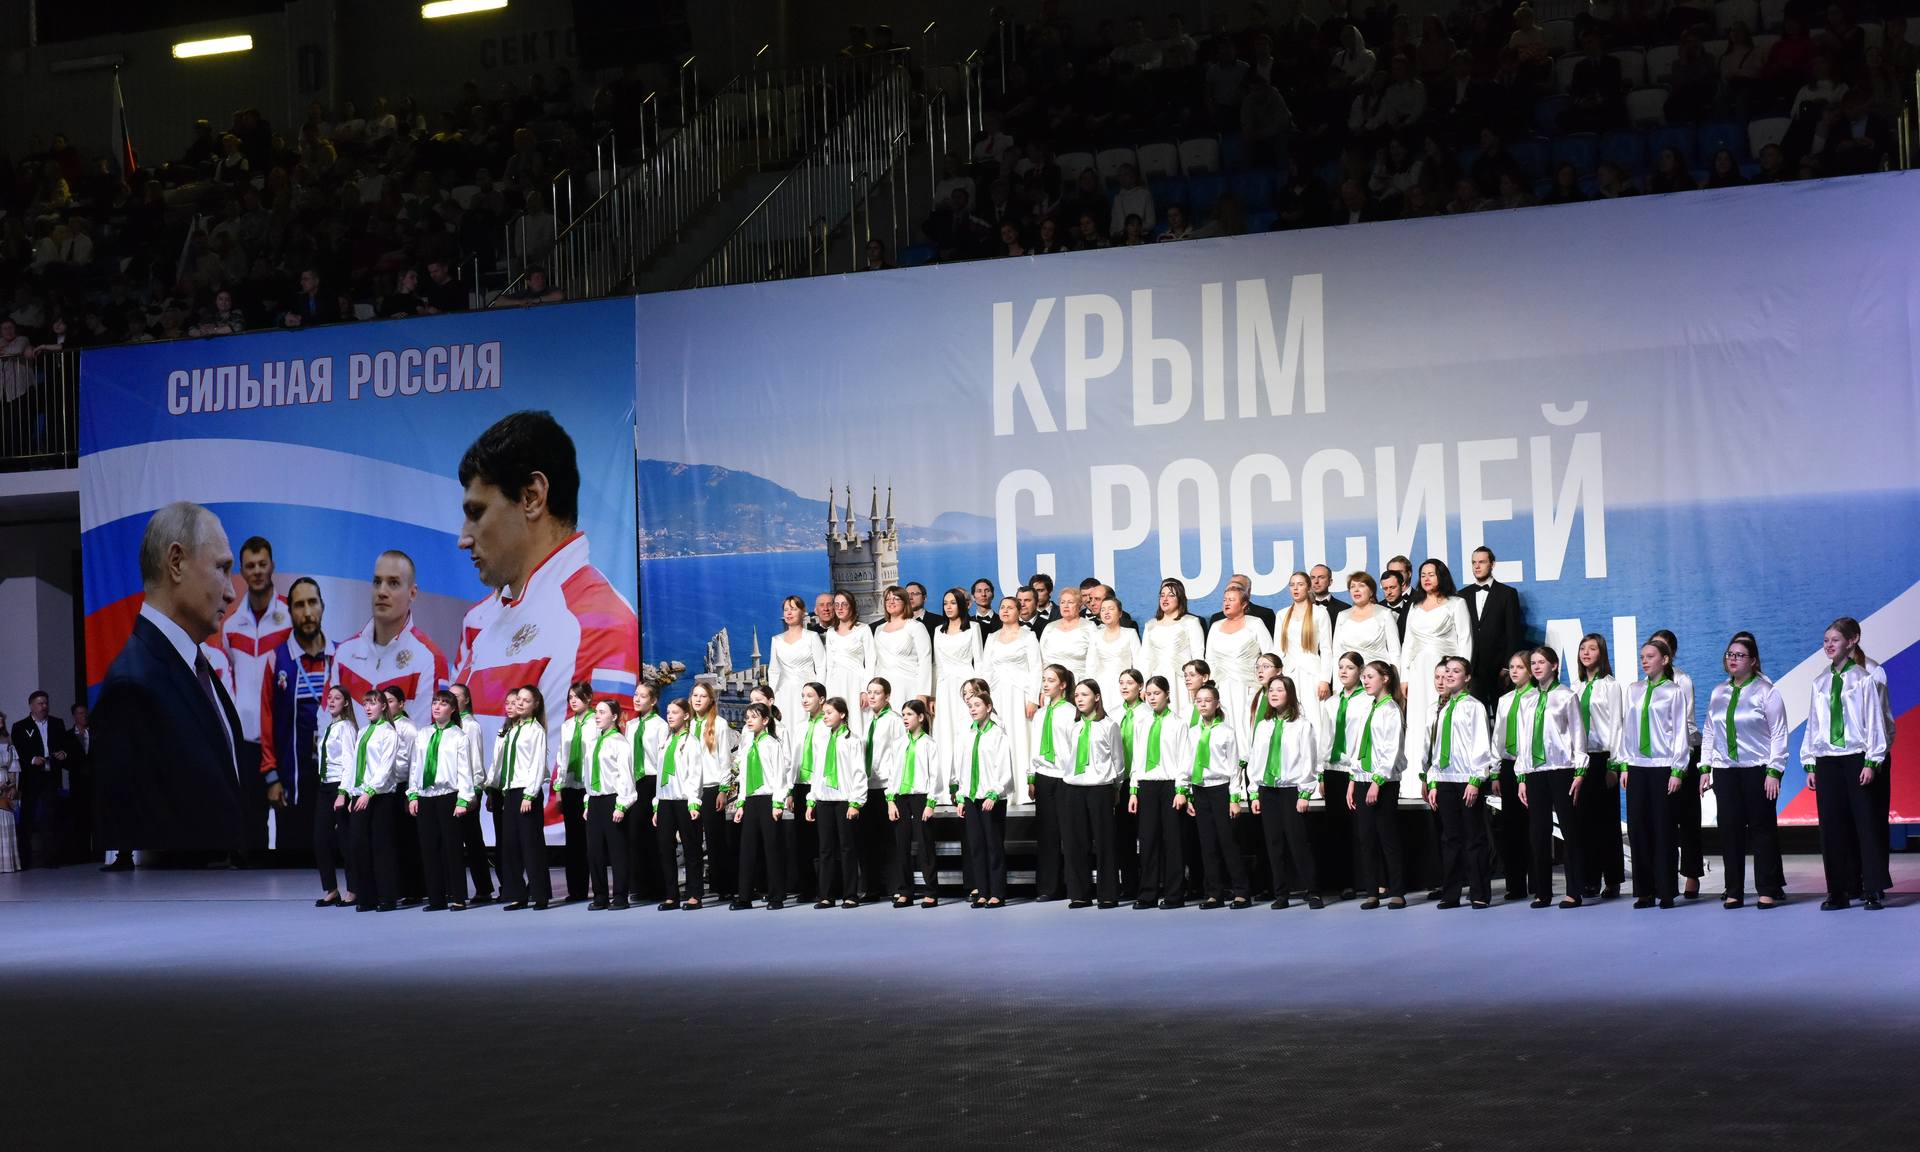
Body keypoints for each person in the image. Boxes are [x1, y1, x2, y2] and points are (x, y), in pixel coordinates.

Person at [452, 412, 640, 779]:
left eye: (476, 512)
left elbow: (573, 791)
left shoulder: (597, 623)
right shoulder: (485, 619)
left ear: (532, 497)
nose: (463, 538)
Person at [93, 502, 250, 853]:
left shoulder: (194, 667)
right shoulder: (131, 688)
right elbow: (131, 839)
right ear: (176, 562)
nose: (231, 592)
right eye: (222, 568)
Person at [1803, 618, 1890, 911]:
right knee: (1832, 827)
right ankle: (1837, 891)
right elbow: (1814, 725)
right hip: (1827, 760)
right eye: (1826, 640)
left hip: (1856, 757)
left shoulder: (1864, 678)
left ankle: (1872, 887)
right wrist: (1810, 762)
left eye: (1835, 640)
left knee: (1866, 824)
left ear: (1851, 642)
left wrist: (1872, 761)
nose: (1829, 645)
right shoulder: (1819, 682)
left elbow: (1874, 722)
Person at [1704, 634, 1788, 909]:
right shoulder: (1718, 692)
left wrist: (1774, 770)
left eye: (1740, 655)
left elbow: (1779, 733)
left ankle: (1767, 889)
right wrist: (1705, 767)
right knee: (1729, 830)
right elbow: (1709, 731)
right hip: (1726, 770)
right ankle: (1734, 891)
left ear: (1753, 661)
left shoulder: (1766, 692)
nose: (1733, 659)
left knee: (1762, 829)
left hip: (1757, 769)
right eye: (1730, 654)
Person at [219, 536, 291, 852]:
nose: (258, 571)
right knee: (251, 825)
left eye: (263, 564)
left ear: (272, 565)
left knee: (290, 822)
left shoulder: (291, 615)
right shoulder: (231, 625)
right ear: (242, 571)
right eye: (251, 566)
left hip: (283, 737)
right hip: (247, 739)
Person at [328, 549, 448, 735]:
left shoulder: (429, 659)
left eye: (393, 583)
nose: (382, 591)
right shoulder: (344, 653)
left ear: (412, 593)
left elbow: (427, 738)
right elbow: (327, 725)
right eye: (377, 582)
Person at [256, 576, 334, 860]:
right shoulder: (277, 660)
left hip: (335, 784)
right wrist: (272, 777)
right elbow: (267, 722)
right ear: (290, 612)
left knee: (335, 859)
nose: (307, 612)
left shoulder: (341, 657)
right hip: (293, 786)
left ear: (323, 606)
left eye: (313, 602)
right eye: (299, 605)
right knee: (293, 862)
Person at [1616, 638, 1689, 909]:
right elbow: (1627, 728)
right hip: (1637, 767)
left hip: (1663, 766)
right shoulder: (1633, 690)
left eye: (1650, 656)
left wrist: (1678, 769)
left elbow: (1680, 732)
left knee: (1664, 829)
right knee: (1638, 829)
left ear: (1665, 660)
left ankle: (1666, 890)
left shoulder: (1674, 691)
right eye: (1642, 657)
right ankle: (1644, 891)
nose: (1644, 661)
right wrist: (1625, 764)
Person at [1514, 646, 1587, 909]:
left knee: (1569, 830)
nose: (1536, 667)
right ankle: (1542, 891)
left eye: (1541, 662)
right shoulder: (1527, 700)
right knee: (1538, 832)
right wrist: (1521, 776)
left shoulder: (1566, 696)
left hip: (1562, 769)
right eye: (1533, 663)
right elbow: (1523, 740)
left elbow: (1578, 734)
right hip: (1535, 772)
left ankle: (1574, 891)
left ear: (1554, 666)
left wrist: (1580, 771)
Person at [1423, 657, 1494, 909]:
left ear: (1467, 678)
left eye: (1456, 671)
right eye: (1447, 671)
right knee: (1450, 838)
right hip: (1445, 779)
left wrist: (1476, 779)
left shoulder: (1474, 706)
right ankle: (1451, 893)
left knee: (1474, 837)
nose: (1450, 675)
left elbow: (1481, 744)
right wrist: (1433, 781)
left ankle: (1479, 892)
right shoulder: (1442, 710)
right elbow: (1435, 748)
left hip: (1467, 779)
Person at [1248, 675, 1323, 909]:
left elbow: (1308, 759)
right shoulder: (1263, 725)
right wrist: (1254, 791)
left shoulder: (1302, 725)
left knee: (1297, 841)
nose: (1273, 693)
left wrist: (1305, 793)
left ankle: (1313, 891)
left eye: (1279, 690)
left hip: (1291, 790)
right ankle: (1281, 893)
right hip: (1268, 790)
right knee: (1274, 843)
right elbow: (1256, 759)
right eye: (1271, 690)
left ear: (1289, 694)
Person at [1402, 559, 1473, 776]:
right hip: (1417, 670)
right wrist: (1404, 676)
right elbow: (1408, 643)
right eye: (1423, 575)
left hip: (1444, 670)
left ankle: (1445, 773)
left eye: (1431, 574)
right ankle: (1416, 776)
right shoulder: (1415, 607)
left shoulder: (1456, 604)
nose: (1426, 579)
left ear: (1441, 576)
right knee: (1418, 719)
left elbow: (1465, 639)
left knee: (1442, 716)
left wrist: (1460, 674)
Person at [1183, 683, 1249, 909]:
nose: (1202, 704)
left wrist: (1234, 798)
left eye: (1207, 700)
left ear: (1217, 703)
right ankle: (1214, 893)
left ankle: (1241, 892)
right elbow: (1187, 763)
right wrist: (1186, 792)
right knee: (1207, 844)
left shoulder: (1226, 732)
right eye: (1199, 701)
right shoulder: (1192, 732)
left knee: (1228, 842)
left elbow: (1234, 767)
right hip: (1200, 790)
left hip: (1220, 789)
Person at [1127, 675, 1190, 909]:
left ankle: (1174, 895)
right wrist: (1134, 790)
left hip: (1170, 785)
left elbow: (1184, 757)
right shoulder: (1141, 723)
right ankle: (1147, 894)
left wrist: (1182, 789)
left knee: (1173, 841)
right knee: (1148, 841)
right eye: (1149, 694)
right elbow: (1137, 757)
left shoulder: (1178, 723)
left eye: (1157, 693)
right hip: (1147, 785)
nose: (1152, 698)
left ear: (1167, 694)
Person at [1347, 660, 1407, 908]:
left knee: (1387, 836)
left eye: (1370, 676)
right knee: (1366, 837)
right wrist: (1353, 780)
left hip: (1383, 782)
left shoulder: (1391, 710)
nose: (1365, 681)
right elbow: (1358, 746)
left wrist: (1377, 782)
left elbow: (1391, 749)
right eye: (1364, 677)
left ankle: (1397, 891)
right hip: (1363, 779)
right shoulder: (1367, 708)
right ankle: (1372, 890)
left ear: (1385, 679)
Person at [1651, 628, 1705, 899]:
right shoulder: (1646, 684)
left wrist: (1681, 756)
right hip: (1658, 758)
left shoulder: (1682, 680)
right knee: (1663, 819)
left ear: (1670, 655)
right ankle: (1664, 877)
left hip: (1686, 751)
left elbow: (1688, 722)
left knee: (1688, 816)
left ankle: (1692, 874)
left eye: (1662, 648)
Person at [1058, 679, 1122, 909]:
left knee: (1105, 842)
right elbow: (1067, 757)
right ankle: (1080, 894)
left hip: (1100, 788)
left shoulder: (1109, 725)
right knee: (1076, 843)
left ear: (1097, 697)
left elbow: (1117, 759)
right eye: (1077, 695)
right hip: (1074, 788)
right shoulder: (1073, 726)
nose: (1079, 699)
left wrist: (1116, 787)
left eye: (1084, 695)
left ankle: (1108, 894)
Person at [1572, 633, 1625, 901]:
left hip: (1604, 758)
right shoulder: (1576, 687)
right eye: (1583, 648)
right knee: (1583, 823)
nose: (1586, 652)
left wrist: (1614, 765)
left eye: (1592, 648)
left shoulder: (1610, 686)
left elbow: (1617, 725)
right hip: (1581, 759)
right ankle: (1589, 879)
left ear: (1601, 654)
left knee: (1606, 822)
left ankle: (1612, 880)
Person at [407, 690, 471, 912]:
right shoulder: (423, 734)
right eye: (435, 702)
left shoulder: (459, 736)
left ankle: (458, 896)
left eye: (443, 703)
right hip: (426, 796)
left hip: (448, 796)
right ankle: (436, 898)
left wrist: (463, 800)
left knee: (452, 848)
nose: (437, 707)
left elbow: (464, 770)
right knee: (429, 848)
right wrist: (413, 794)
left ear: (452, 709)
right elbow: (415, 765)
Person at [569, 697, 632, 910]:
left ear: (614, 717)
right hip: (595, 800)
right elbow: (588, 775)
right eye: (596, 712)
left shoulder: (620, 742)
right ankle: (600, 896)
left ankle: (620, 896)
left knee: (617, 850)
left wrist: (622, 804)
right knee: (594, 851)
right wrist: (588, 801)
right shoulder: (594, 742)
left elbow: (625, 776)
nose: (597, 716)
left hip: (613, 799)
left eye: (602, 712)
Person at [494, 684, 552, 911]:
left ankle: (539, 894)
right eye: (518, 698)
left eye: (526, 701)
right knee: (510, 845)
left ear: (535, 705)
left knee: (531, 844)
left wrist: (530, 794)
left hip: (527, 792)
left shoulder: (535, 730)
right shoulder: (510, 729)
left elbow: (537, 764)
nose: (519, 703)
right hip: (510, 791)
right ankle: (517, 894)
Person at [345, 690, 402, 912]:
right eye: (365, 703)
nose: (368, 708)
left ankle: (387, 897)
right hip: (360, 794)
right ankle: (366, 897)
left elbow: (385, 767)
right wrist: (353, 792)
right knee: (358, 846)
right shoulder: (363, 731)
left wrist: (369, 791)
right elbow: (356, 764)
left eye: (373, 703)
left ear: (383, 706)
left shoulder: (388, 732)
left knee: (381, 847)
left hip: (379, 796)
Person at [806, 696, 866, 909]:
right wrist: (811, 800)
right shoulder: (821, 740)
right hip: (824, 799)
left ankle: (850, 894)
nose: (825, 717)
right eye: (824, 713)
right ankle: (826, 895)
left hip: (844, 800)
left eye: (829, 712)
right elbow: (816, 772)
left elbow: (859, 772)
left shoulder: (852, 740)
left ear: (842, 714)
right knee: (825, 849)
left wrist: (855, 802)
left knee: (847, 848)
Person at [729, 701, 789, 910]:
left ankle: (776, 896)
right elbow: (744, 777)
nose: (749, 720)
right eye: (747, 717)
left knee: (772, 849)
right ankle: (744, 896)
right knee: (747, 849)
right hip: (750, 800)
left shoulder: (772, 744)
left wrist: (778, 802)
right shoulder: (747, 746)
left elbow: (779, 775)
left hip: (768, 799)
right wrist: (741, 804)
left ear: (765, 720)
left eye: (754, 717)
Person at [956, 682, 1012, 907]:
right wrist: (961, 796)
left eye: (977, 705)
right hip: (972, 797)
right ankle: (982, 891)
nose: (973, 709)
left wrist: (994, 793)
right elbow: (963, 767)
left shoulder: (997, 734)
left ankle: (997, 892)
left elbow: (1004, 767)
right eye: (970, 705)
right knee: (976, 846)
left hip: (991, 798)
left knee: (993, 845)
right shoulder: (967, 734)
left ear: (988, 707)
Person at [1204, 586, 1275, 756]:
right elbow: (1210, 659)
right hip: (1221, 687)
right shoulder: (1215, 626)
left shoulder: (1255, 624)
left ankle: (1247, 763)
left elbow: (1269, 655)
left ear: (1244, 604)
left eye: (1232, 599)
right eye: (1225, 600)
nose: (1226, 603)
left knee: (1245, 727)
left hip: (1248, 688)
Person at [1489, 649, 1536, 901]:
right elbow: (1498, 736)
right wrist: (1495, 771)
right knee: (1511, 827)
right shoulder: (1505, 700)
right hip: (1509, 765)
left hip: (1531, 765)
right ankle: (1515, 884)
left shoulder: (1537, 697)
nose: (1515, 671)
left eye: (1520, 667)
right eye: (1512, 667)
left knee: (1534, 825)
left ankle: (1537, 882)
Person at [982, 597, 1043, 791]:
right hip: (997, 694)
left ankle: (1023, 787)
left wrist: (1033, 698)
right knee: (999, 736)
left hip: (1020, 694)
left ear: (1019, 611)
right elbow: (986, 670)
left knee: (1020, 736)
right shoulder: (992, 637)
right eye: (1002, 607)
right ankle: (1000, 786)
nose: (1005, 610)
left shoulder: (1028, 636)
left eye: (1010, 607)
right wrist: (984, 698)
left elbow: (1036, 668)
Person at [1320, 652, 1368, 900]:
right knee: (1337, 827)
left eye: (1349, 667)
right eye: (1340, 667)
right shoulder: (1330, 703)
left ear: (1360, 671)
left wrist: (1356, 771)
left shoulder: (1366, 701)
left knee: (1359, 826)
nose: (1343, 671)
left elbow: (1363, 738)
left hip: (1355, 771)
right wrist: (1321, 773)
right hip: (1333, 770)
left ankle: (1366, 880)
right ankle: (1344, 882)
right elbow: (1325, 738)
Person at [1028, 664, 1077, 901]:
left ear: (1063, 685)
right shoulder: (1040, 714)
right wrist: (1031, 776)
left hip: (1065, 777)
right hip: (1044, 776)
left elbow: (1073, 747)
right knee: (1047, 835)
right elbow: (1034, 745)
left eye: (1051, 680)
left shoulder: (1070, 712)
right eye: (1044, 680)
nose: (1046, 684)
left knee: (1070, 833)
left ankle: (1074, 886)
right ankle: (1049, 887)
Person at [885, 698, 940, 907]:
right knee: (901, 846)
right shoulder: (898, 744)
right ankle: (905, 891)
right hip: (901, 797)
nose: (905, 718)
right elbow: (893, 774)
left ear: (921, 717)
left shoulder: (929, 744)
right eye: (903, 715)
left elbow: (935, 776)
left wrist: (931, 803)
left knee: (925, 845)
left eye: (909, 714)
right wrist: (891, 801)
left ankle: (931, 891)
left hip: (921, 797)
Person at [687, 683, 737, 904]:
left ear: (711, 700)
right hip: (691, 790)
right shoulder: (687, 724)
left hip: (711, 787)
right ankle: (694, 888)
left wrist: (723, 790)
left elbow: (725, 760)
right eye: (695, 695)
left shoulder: (720, 724)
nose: (698, 699)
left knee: (715, 841)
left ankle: (723, 886)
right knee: (692, 840)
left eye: (703, 696)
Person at [10, 690, 71, 869]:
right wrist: (32, 760)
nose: (44, 706)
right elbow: (18, 751)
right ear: (31, 706)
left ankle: (50, 859)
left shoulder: (57, 723)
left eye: (46, 703)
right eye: (40, 703)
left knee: (50, 817)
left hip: (50, 776)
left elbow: (65, 745)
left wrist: (64, 753)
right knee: (27, 818)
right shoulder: (20, 726)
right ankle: (25, 860)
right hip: (31, 779)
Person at [1462, 546, 1525, 713]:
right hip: (1472, 669)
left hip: (1499, 669)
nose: (1477, 566)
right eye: (1474, 563)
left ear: (1492, 564)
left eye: (1481, 562)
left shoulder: (1507, 593)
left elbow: (1513, 632)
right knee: (1473, 717)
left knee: (1502, 716)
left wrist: (1507, 666)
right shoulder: (1462, 595)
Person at [448, 683, 494, 904]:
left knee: (472, 839)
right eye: (449, 697)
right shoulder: (448, 726)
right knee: (457, 839)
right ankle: (456, 888)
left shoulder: (470, 725)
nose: (453, 700)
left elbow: (475, 759)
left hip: (468, 790)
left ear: (466, 700)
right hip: (452, 789)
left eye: (457, 696)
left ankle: (483, 888)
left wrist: (475, 791)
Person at [311, 686, 357, 905]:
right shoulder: (329, 726)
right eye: (329, 697)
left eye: (337, 698)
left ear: (346, 703)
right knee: (320, 839)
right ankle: (331, 889)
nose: (331, 701)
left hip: (340, 786)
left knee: (345, 841)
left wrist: (343, 793)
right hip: (325, 786)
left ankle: (354, 889)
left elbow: (349, 761)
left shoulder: (346, 727)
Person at [623, 683, 668, 904]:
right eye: (635, 695)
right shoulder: (631, 725)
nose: (637, 699)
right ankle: (638, 886)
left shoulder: (660, 725)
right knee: (634, 835)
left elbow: (661, 760)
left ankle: (658, 886)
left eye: (642, 696)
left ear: (653, 700)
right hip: (634, 782)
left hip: (652, 782)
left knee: (653, 835)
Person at [769, 595, 827, 759]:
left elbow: (821, 666)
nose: (788, 613)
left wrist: (819, 694)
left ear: (803, 612)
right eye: (786, 609)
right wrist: (772, 697)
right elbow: (773, 671)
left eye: (793, 609)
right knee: (785, 730)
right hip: (783, 694)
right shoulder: (776, 640)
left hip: (806, 693)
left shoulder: (812, 637)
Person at [553, 683, 596, 902]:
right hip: (570, 786)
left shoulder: (596, 722)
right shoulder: (567, 725)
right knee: (573, 839)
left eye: (577, 697)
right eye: (570, 697)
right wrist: (559, 790)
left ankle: (594, 887)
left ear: (588, 697)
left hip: (589, 787)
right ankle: (575, 889)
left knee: (590, 839)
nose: (573, 700)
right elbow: (561, 757)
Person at [1276, 571, 1335, 724]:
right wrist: (1277, 678)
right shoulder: (1282, 614)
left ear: (1308, 588)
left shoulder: (1320, 613)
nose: (1295, 588)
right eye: (1292, 585)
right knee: (1291, 717)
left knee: (1314, 717)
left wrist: (1325, 680)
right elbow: (1278, 649)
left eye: (1300, 584)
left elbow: (1327, 649)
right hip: (1289, 674)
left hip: (1313, 674)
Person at [1142, 579, 1207, 719]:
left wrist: (1197, 683)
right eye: (1162, 595)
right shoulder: (1150, 625)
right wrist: (1144, 686)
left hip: (1181, 680)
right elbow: (1146, 658)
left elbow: (1198, 655)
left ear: (1180, 598)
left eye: (1171, 595)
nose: (1165, 599)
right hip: (1156, 678)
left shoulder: (1190, 622)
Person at [1331, 571, 1401, 677]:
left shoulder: (1384, 613)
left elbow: (1395, 652)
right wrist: (1338, 682)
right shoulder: (1342, 616)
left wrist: (1397, 680)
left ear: (1371, 591)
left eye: (1361, 585)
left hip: (1377, 676)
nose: (1356, 589)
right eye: (1352, 586)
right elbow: (1337, 653)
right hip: (1350, 678)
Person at [823, 591, 876, 712]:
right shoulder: (831, 632)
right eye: (836, 604)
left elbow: (871, 661)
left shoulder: (863, 629)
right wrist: (828, 691)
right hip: (836, 685)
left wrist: (865, 690)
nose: (840, 608)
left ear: (851, 606)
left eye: (844, 604)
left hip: (856, 683)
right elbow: (829, 666)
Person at [1037, 585, 1092, 687]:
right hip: (1051, 685)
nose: (1065, 606)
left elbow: (1095, 661)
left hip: (1079, 684)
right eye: (1062, 602)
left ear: (1079, 605)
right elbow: (1041, 659)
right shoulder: (1050, 627)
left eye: (1070, 602)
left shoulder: (1089, 627)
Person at [0, 719, 17, 873]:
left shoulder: (8, 742)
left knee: (5, 818)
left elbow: (13, 766)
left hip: (5, 784)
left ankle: (6, 864)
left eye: (2, 721)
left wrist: (12, 786)